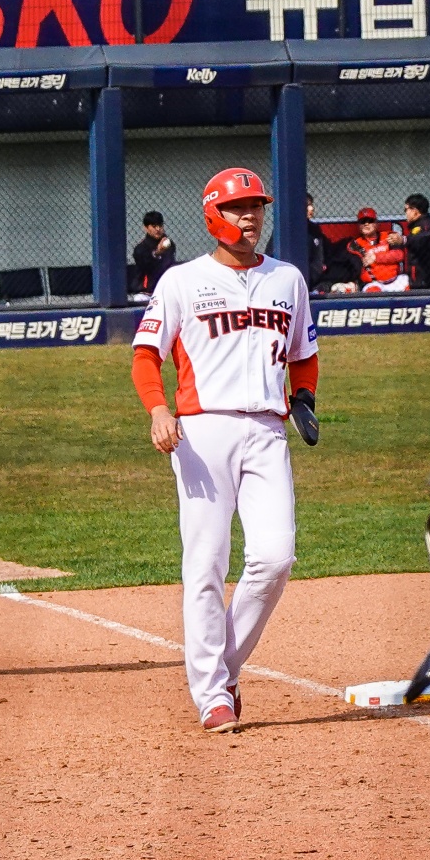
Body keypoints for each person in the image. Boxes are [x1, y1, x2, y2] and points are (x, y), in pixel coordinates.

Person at [132, 168, 319, 732]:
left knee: (276, 556)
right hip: (202, 431)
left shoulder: (287, 278)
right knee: (207, 564)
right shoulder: (182, 281)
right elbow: (146, 355)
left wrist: (304, 397)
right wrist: (158, 410)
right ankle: (212, 695)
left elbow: (304, 353)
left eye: (257, 206)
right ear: (214, 215)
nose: (250, 216)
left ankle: (223, 670)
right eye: (239, 207)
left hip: (267, 431)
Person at [352, 207, 409, 293]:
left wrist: (376, 258)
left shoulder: (388, 236)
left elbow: (399, 255)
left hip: (396, 280)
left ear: (376, 223)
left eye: (370, 221)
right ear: (358, 225)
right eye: (363, 222)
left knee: (407, 284)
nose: (366, 224)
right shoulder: (355, 245)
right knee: (372, 291)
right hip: (375, 283)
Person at [133, 210, 177, 296]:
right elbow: (146, 268)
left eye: (160, 225)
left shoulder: (169, 245)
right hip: (146, 292)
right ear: (146, 228)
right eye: (154, 226)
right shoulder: (140, 248)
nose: (158, 229)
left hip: (166, 290)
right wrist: (157, 253)